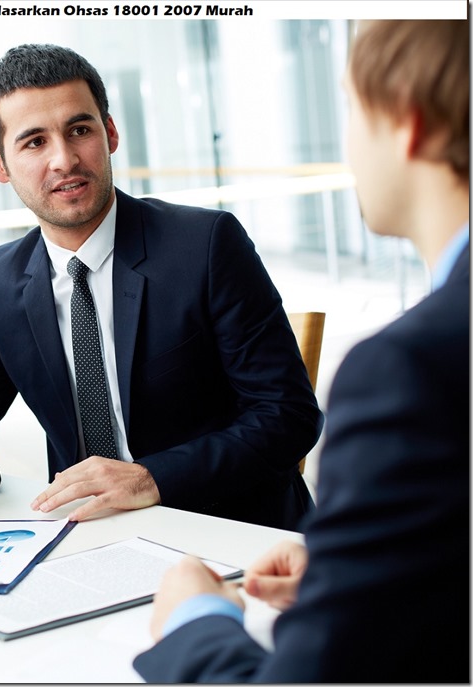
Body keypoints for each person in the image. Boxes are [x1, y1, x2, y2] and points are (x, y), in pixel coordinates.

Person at [134, 19, 469, 682]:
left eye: (350, 106)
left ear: (410, 122)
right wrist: (369, 563)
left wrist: (194, 618)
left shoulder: (408, 370)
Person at [0, 44, 322, 530]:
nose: (64, 159)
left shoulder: (207, 245)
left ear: (110, 133)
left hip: (232, 530)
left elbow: (288, 416)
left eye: (80, 130)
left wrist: (151, 477)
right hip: (92, 536)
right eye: (34, 142)